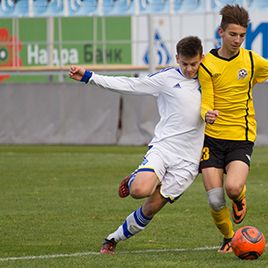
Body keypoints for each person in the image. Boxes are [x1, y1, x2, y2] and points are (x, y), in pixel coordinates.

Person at [69, 36, 205, 254]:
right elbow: (130, 84)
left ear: (202, 58)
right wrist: (89, 77)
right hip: (165, 147)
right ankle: (136, 177)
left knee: (150, 208)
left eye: (194, 64)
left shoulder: (211, 78)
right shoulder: (166, 79)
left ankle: (112, 239)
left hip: (189, 160)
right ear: (177, 58)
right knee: (139, 190)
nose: (189, 69)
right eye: (184, 64)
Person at [198, 4, 268, 253]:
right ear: (221, 32)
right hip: (212, 138)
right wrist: (207, 113)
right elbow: (205, 101)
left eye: (242, 35)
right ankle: (229, 238)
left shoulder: (251, 60)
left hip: (241, 136)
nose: (238, 40)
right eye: (233, 34)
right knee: (216, 199)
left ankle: (239, 198)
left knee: (233, 188)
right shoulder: (206, 64)